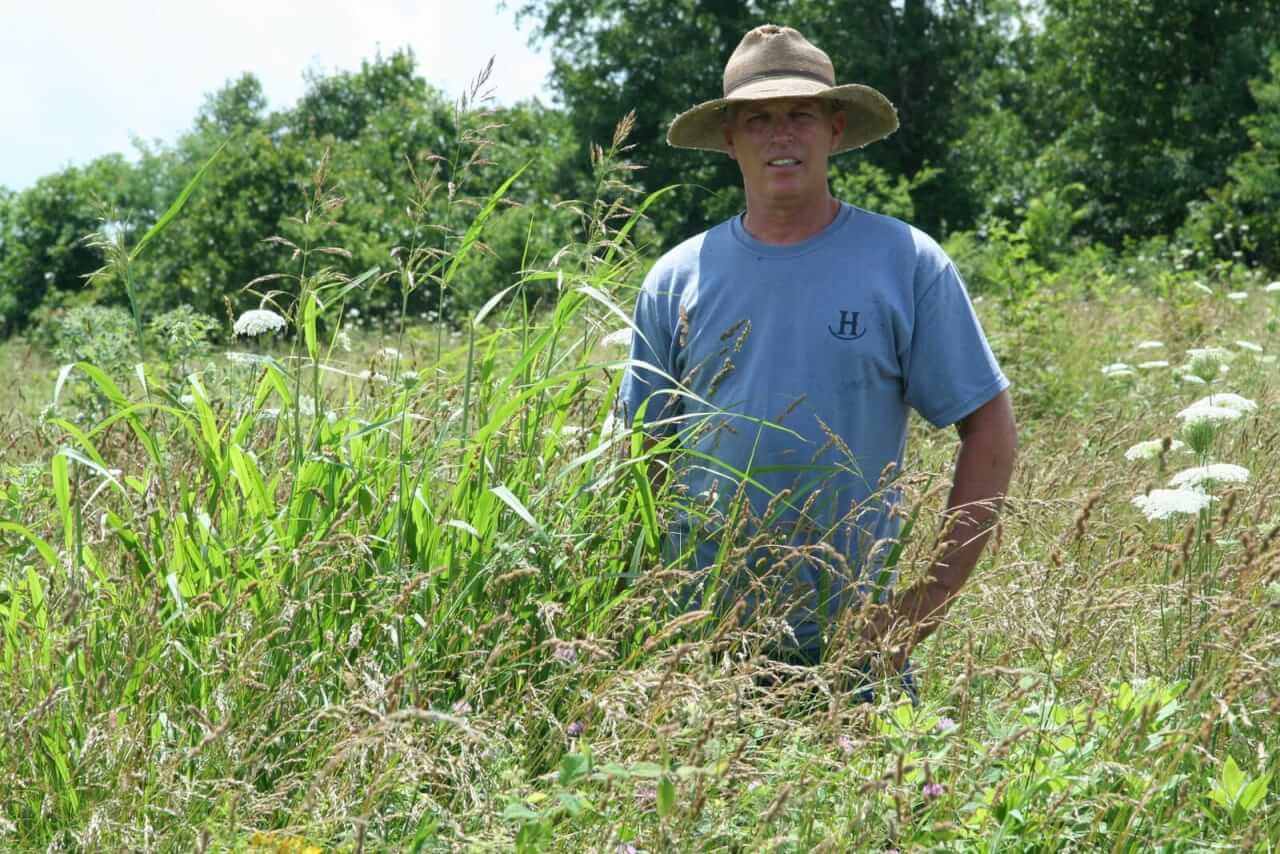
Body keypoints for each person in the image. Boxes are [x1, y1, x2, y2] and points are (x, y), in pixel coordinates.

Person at [616, 25, 1017, 689]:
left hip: (854, 649)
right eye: (759, 119)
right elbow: (643, 458)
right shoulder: (675, 277)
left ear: (834, 128)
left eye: (800, 114)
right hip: (698, 649)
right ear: (729, 140)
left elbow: (990, 427)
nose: (781, 135)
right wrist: (641, 609)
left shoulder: (905, 262)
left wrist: (928, 600)